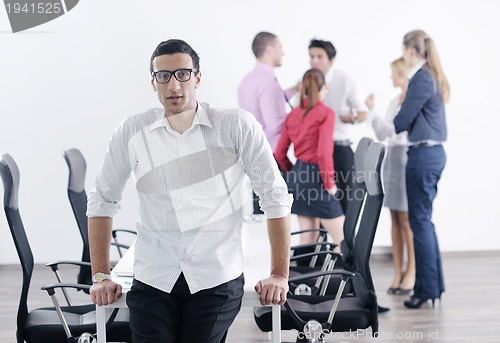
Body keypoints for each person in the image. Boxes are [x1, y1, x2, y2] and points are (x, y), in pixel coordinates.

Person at [87, 39, 293, 342]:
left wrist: (279, 274)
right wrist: (101, 275)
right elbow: (102, 200)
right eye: (164, 76)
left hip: (216, 275)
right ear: (153, 82)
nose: (174, 85)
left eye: (183, 74)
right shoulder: (132, 131)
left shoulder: (236, 126)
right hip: (154, 276)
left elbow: (274, 197)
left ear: (197, 77)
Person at [394, 30, 450, 309]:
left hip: (423, 156)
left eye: (403, 50)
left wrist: (391, 120)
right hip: (431, 154)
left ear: (411, 51)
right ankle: (433, 287)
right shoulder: (430, 75)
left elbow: (402, 120)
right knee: (424, 222)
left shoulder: (420, 78)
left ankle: (425, 289)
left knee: (419, 222)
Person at [274, 68, 344, 248]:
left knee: (307, 239)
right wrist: (329, 184)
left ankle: (303, 277)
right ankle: (348, 276)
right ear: (324, 87)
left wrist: (295, 173)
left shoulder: (293, 114)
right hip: (317, 178)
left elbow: (279, 153)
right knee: (343, 241)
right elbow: (323, 153)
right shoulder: (326, 113)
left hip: (298, 177)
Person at [366, 58, 415, 295]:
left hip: (406, 157)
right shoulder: (394, 101)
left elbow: (392, 129)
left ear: (403, 74)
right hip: (392, 158)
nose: (391, 78)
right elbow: (382, 132)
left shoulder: (412, 103)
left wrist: (372, 112)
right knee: (395, 218)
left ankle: (411, 273)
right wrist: (374, 112)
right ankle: (398, 271)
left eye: (394, 74)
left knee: (407, 219)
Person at [238, 32, 299, 216]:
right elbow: (275, 124)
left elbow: (265, 106)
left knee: (263, 211)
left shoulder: (247, 81)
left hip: (256, 156)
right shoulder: (268, 82)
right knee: (279, 213)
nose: (283, 53)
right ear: (269, 50)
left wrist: (294, 90)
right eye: (280, 48)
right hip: (273, 157)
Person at [308, 39, 369, 214]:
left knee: (346, 203)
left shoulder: (346, 80)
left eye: (319, 57)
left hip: (339, 151)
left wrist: (353, 118)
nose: (314, 61)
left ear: (331, 59)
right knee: (315, 205)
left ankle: (344, 241)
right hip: (314, 153)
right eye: (312, 56)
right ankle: (320, 242)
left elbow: (363, 112)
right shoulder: (306, 80)